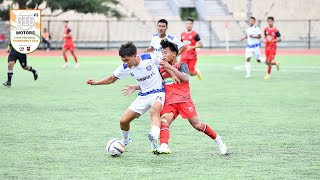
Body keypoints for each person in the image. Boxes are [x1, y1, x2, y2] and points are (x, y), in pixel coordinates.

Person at [124, 40, 228, 155]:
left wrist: (171, 68)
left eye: (165, 53)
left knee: (197, 125)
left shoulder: (181, 65)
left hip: (184, 100)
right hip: (169, 102)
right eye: (162, 53)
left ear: (174, 54)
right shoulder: (161, 69)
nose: (163, 55)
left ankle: (218, 140)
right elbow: (153, 83)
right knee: (163, 121)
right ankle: (164, 146)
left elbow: (186, 78)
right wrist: (135, 87)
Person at [86, 42, 166, 153]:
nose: (125, 63)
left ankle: (154, 139)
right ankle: (125, 140)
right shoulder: (125, 67)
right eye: (123, 61)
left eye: (127, 60)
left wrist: (175, 74)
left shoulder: (149, 57)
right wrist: (96, 83)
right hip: (143, 96)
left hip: (158, 92)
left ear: (135, 56)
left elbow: (165, 63)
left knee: (154, 112)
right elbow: (112, 79)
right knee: (123, 121)